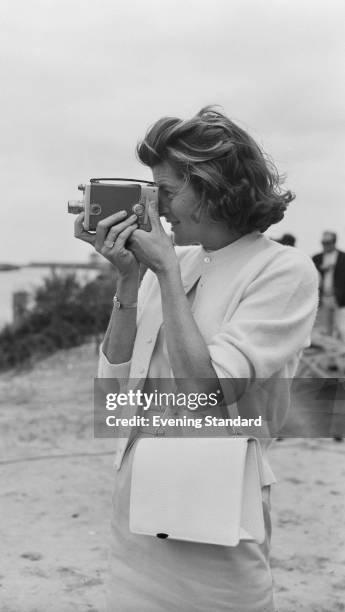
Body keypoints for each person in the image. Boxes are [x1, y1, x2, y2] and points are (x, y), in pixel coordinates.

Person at [74, 107, 318, 611]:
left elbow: (206, 396)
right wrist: (127, 279)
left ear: (215, 187)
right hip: (136, 503)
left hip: (218, 507)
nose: (155, 207)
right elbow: (114, 393)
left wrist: (163, 274)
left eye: (165, 191)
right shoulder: (175, 262)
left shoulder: (283, 271)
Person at [312, 231, 345, 342]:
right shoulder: (317, 258)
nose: (325, 245)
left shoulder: (343, 257)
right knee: (327, 330)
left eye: (328, 242)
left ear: (334, 242)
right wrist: (322, 269)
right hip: (324, 298)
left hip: (340, 299)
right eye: (323, 242)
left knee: (342, 328)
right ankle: (332, 354)